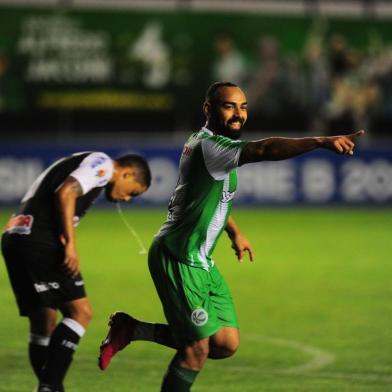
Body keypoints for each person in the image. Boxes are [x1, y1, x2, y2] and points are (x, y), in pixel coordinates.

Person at [98, 82, 364, 391]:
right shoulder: (211, 147)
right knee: (195, 352)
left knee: (224, 343)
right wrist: (320, 141)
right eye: (229, 107)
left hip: (201, 260)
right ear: (208, 109)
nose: (238, 114)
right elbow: (263, 149)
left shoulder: (209, 143)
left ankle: (132, 329)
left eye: (243, 107)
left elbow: (207, 198)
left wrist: (234, 231)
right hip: (179, 257)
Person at [1, 152, 151, 392]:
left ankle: (46, 385)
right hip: (39, 240)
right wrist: (70, 244)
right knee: (80, 312)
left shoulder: (76, 160)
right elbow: (67, 192)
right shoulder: (102, 163)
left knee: (44, 322)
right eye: (132, 192)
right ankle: (51, 386)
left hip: (15, 238)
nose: (127, 199)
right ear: (127, 173)